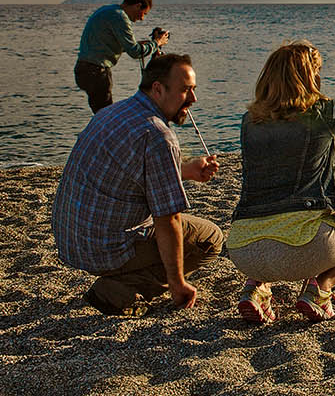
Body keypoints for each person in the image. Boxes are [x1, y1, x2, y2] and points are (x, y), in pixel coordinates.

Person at [226, 36, 335, 324]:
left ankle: (257, 287)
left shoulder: (249, 122)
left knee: (273, 216)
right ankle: (321, 288)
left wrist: (334, 173)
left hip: (243, 251)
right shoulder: (319, 113)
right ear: (308, 77)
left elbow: (278, 170)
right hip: (304, 250)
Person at [52, 52, 224, 316]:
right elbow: (168, 220)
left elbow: (130, 174)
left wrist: (187, 170)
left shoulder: (113, 112)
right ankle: (120, 289)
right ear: (158, 89)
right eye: (185, 90)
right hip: (104, 249)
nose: (193, 99)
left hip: (71, 241)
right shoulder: (158, 136)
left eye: (194, 90)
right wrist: (177, 284)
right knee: (210, 238)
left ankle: (120, 282)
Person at [74, 0, 171, 113]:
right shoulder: (120, 17)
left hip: (83, 69)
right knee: (106, 116)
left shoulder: (107, 10)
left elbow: (106, 44)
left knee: (102, 114)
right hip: (97, 72)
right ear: (138, 6)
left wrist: (145, 44)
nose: (142, 19)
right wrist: (157, 42)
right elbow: (135, 52)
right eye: (144, 13)